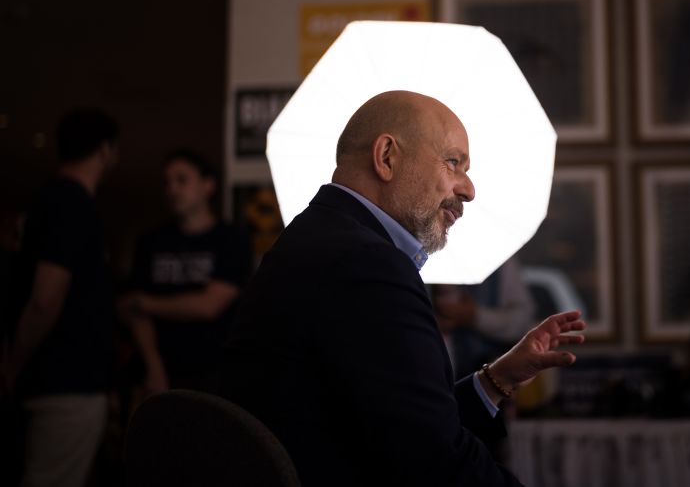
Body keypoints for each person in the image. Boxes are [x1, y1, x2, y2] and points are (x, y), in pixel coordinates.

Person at [214, 90, 586, 486]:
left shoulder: (323, 237)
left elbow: (403, 424)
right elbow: (436, 463)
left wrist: (498, 380)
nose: (468, 189)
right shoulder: (365, 264)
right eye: (453, 162)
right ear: (387, 157)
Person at [1, 109, 118, 487]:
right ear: (105, 150)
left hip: (52, 379)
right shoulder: (71, 204)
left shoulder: (47, 202)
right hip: (66, 383)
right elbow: (45, 298)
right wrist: (13, 363)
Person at [119, 150, 251, 392]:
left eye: (182, 180)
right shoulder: (151, 241)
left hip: (214, 376)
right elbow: (131, 309)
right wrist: (153, 366)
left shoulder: (232, 239)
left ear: (208, 185)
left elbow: (210, 305)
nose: (172, 189)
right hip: (157, 374)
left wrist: (146, 303)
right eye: (167, 182)